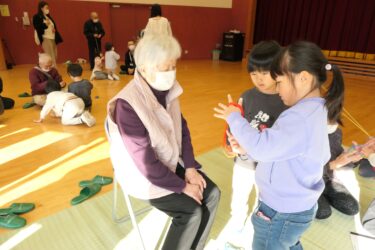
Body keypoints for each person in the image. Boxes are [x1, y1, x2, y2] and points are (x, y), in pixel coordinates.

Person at [214, 41, 345, 250]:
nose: (278, 88)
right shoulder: (316, 110)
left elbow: (263, 148)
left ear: (303, 78)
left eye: (280, 81)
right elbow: (282, 149)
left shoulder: (298, 117)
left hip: (280, 211)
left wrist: (234, 118)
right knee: (288, 244)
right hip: (296, 206)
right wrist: (247, 148)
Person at [107, 35, 220, 250]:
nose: (170, 73)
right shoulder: (127, 104)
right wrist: (183, 187)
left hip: (168, 160)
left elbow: (182, 129)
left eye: (173, 66)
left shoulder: (167, 89)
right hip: (144, 175)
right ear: (143, 68)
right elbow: (146, 165)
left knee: (212, 194)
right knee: (191, 211)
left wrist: (191, 168)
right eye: (163, 67)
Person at [224, 41, 287, 248]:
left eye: (265, 72)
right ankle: (236, 221)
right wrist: (230, 142)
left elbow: (279, 142)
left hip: (266, 167)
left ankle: (254, 227)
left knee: (262, 201)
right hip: (243, 161)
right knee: (239, 195)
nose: (258, 78)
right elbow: (236, 123)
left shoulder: (285, 100)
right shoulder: (247, 96)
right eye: (254, 73)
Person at [33, 1, 63, 67]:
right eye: (46, 8)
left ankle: (49, 68)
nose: (48, 9)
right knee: (50, 55)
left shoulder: (48, 17)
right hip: (45, 38)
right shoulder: (36, 16)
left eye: (48, 8)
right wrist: (45, 25)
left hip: (52, 38)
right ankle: (53, 72)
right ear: (41, 8)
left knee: (55, 55)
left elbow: (52, 26)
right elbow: (37, 27)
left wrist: (53, 29)